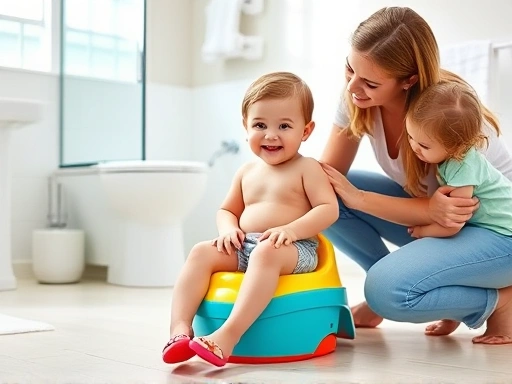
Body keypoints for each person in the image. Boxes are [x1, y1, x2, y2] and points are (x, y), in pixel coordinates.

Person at [319, 6, 512, 345]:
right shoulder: (357, 96)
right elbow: (327, 177)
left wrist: (362, 199)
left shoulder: (449, 118)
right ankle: (419, 283)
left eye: (370, 82)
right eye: (350, 68)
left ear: (408, 80)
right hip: (442, 222)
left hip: (494, 231)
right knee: (327, 194)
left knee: (386, 291)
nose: (353, 87)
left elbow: (452, 217)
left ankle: (500, 301)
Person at [162, 71, 339, 367]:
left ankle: (227, 336)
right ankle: (179, 328)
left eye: (284, 125)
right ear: (246, 126)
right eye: (260, 125)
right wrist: (228, 229)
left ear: (305, 131)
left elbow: (327, 209)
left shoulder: (307, 168)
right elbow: (227, 210)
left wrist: (291, 230)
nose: (271, 135)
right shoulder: (246, 171)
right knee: (200, 252)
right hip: (246, 246)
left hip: (294, 250)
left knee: (267, 252)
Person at [404, 82, 512, 239]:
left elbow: (453, 223)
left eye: (424, 145)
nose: (414, 147)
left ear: (457, 147)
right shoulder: (452, 157)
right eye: (410, 136)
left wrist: (422, 232)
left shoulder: (463, 168)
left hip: (505, 228)